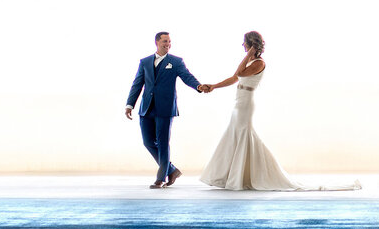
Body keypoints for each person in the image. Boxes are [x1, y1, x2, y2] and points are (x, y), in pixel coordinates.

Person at [199, 31, 361, 191]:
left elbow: (239, 73)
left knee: (243, 134)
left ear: (250, 45)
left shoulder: (258, 63)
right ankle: (231, 176)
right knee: (235, 134)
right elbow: (235, 78)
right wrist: (214, 86)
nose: (242, 45)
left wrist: (249, 55)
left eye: (244, 43)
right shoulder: (250, 62)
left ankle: (251, 176)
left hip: (246, 103)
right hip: (238, 102)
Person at [125, 32, 205, 189]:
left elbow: (187, 76)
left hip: (165, 108)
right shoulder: (145, 62)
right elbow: (137, 84)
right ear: (157, 42)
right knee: (148, 142)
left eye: (169, 42)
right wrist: (130, 105)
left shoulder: (176, 62)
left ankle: (161, 178)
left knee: (162, 143)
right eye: (164, 41)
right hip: (146, 108)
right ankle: (172, 170)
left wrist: (198, 86)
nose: (168, 44)